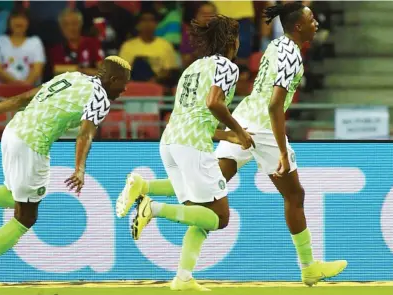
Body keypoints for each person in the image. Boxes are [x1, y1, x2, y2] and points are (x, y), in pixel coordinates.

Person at [117, 2, 348, 287]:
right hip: (263, 127)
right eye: (311, 19)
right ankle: (309, 267)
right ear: (298, 26)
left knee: (208, 202)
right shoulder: (291, 56)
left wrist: (233, 132)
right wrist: (282, 152)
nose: (316, 23)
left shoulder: (276, 45)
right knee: (294, 195)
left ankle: (182, 276)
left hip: (243, 116)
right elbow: (276, 104)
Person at [0, 56, 131, 289]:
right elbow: (85, 134)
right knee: (26, 216)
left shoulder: (71, 77)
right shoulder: (100, 98)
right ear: (112, 79)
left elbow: (21, 99)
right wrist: (79, 169)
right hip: (32, 144)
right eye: (123, 83)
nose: (125, 89)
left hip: (12, 132)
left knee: (13, 196)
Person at [117, 15, 254, 291]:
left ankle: (183, 278)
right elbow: (214, 103)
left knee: (200, 216)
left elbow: (193, 114)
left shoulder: (192, 68)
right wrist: (239, 131)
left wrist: (224, 134)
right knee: (220, 218)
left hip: (170, 141)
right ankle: (152, 206)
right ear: (230, 41)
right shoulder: (227, 66)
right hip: (192, 146)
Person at [119, 9, 179, 84]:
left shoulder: (165, 45)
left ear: (156, 24)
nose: (147, 24)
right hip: (134, 84)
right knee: (139, 62)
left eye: (151, 20)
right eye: (144, 20)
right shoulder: (127, 46)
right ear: (138, 25)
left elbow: (170, 71)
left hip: (158, 83)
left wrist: (157, 78)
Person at [0, 8, 45, 85]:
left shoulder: (35, 42)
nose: (19, 21)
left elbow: (37, 70)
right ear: (8, 22)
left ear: (29, 22)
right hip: (2, 90)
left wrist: (25, 87)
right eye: (15, 18)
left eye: (23, 18)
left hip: (28, 91)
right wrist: (17, 86)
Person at [48, 9, 104, 77]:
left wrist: (79, 70)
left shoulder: (92, 43)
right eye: (66, 25)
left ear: (81, 24)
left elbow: (102, 72)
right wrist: (82, 70)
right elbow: (57, 70)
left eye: (74, 23)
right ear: (61, 28)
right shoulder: (56, 50)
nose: (71, 28)